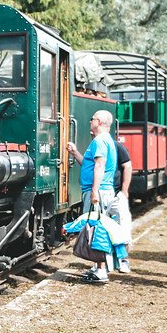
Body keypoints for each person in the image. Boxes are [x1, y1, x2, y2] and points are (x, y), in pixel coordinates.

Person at [66, 110, 119, 284]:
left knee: (97, 229)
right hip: (99, 189)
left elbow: (99, 166)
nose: (90, 121)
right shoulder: (103, 140)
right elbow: (89, 164)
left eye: (92, 119)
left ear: (100, 122)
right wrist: (75, 153)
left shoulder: (100, 141)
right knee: (96, 228)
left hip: (99, 190)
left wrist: (95, 190)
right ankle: (98, 267)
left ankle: (101, 270)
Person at [114, 137, 134, 273]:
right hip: (103, 193)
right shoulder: (94, 146)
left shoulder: (117, 147)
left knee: (123, 228)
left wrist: (124, 190)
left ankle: (124, 260)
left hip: (116, 193)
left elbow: (127, 166)